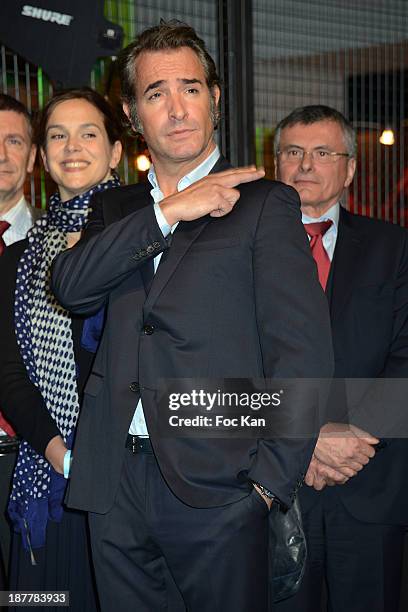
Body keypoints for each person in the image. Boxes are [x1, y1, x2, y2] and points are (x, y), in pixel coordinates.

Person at [51, 22, 333, 612]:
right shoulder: (116, 208)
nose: (177, 109)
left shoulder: (263, 203)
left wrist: (266, 486)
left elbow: (301, 354)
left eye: (192, 89)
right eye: (156, 94)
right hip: (114, 488)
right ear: (132, 112)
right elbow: (71, 287)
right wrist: (169, 210)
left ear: (216, 98)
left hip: (222, 489)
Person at [274, 104, 408, 612]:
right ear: (277, 164)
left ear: (350, 168)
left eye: (322, 152)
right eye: (293, 152)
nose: (305, 164)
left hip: (371, 485)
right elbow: (236, 358)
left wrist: (349, 440)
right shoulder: (240, 249)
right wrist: (306, 440)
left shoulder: (393, 248)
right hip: (276, 487)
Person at [0, 87, 122, 611]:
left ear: (116, 151)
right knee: (43, 602)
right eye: (57, 136)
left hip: (128, 477)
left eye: (88, 133)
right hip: (47, 476)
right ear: (44, 158)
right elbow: (8, 373)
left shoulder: (150, 236)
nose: (72, 147)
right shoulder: (18, 260)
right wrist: (61, 454)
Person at [0, 93, 39, 584]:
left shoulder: (65, 246)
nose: (2, 154)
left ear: (33, 156)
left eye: (14, 141)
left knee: (35, 598)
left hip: (29, 462)